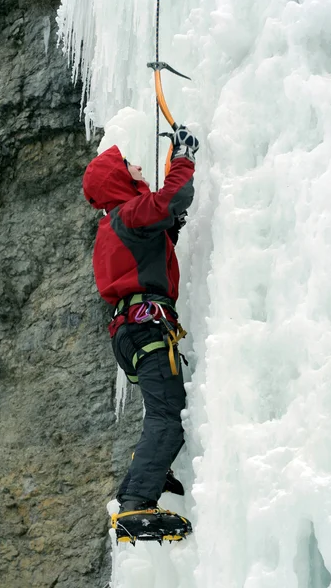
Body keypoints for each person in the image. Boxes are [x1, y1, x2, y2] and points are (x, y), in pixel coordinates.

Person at [83, 126, 199, 543]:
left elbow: (155, 237)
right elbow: (171, 199)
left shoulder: (114, 228)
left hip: (131, 330)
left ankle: (145, 477)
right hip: (147, 325)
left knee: (161, 414)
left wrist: (170, 228)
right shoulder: (128, 214)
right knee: (168, 418)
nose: (138, 167)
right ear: (119, 179)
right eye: (131, 165)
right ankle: (136, 503)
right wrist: (182, 157)